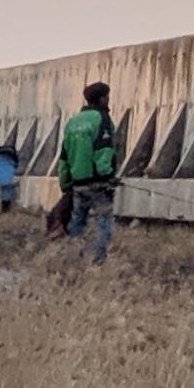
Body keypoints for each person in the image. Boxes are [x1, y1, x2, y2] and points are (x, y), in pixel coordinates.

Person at [57, 79, 126, 265]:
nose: (108, 101)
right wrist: (108, 175)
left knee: (77, 222)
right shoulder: (102, 119)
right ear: (102, 99)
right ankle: (99, 262)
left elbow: (64, 155)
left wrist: (64, 183)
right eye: (107, 97)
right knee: (103, 222)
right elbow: (103, 149)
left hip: (77, 184)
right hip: (99, 183)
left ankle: (72, 260)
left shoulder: (73, 122)